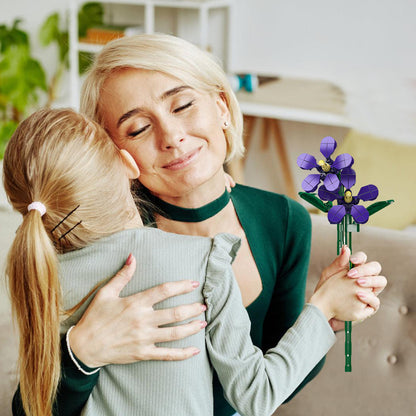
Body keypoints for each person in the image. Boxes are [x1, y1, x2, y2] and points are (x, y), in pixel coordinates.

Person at [12, 34, 386, 416]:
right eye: (138, 128)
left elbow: (273, 388)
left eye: (183, 105)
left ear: (222, 105)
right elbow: (30, 407)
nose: (172, 137)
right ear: (114, 155)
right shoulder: (102, 237)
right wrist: (82, 351)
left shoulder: (283, 219)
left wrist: (321, 317)